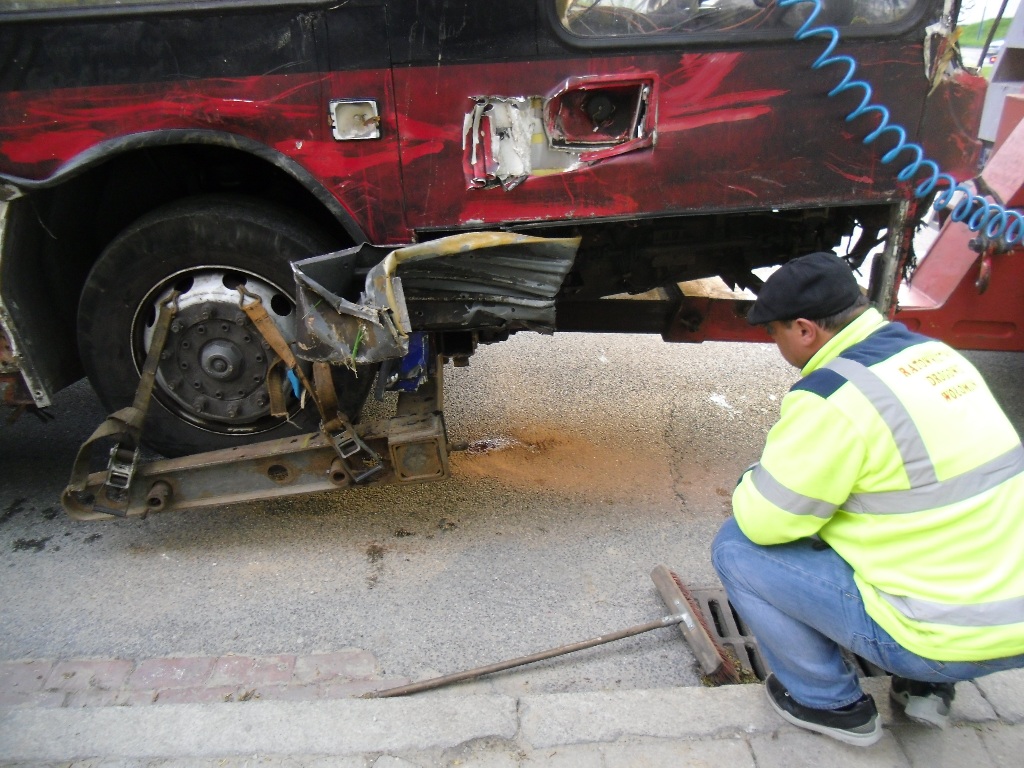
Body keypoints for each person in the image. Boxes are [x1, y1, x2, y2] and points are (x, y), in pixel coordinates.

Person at [711, 252, 1024, 747]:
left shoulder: (834, 396)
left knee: (736, 549)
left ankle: (829, 702)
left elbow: (764, 521)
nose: (776, 345)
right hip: (1015, 622)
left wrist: (753, 477)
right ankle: (927, 687)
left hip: (940, 634)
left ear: (804, 330)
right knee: (913, 517)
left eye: (774, 334)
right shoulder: (937, 356)